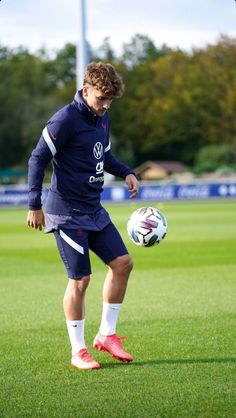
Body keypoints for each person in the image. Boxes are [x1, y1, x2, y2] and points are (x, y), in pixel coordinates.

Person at [27, 62, 139, 370]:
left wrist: (126, 172)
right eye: (101, 99)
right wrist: (33, 204)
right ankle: (78, 351)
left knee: (122, 263)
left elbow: (104, 154)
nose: (105, 106)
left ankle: (106, 334)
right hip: (65, 214)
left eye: (109, 101)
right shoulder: (65, 119)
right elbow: (38, 158)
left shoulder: (103, 117)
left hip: (93, 209)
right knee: (80, 280)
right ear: (86, 89)